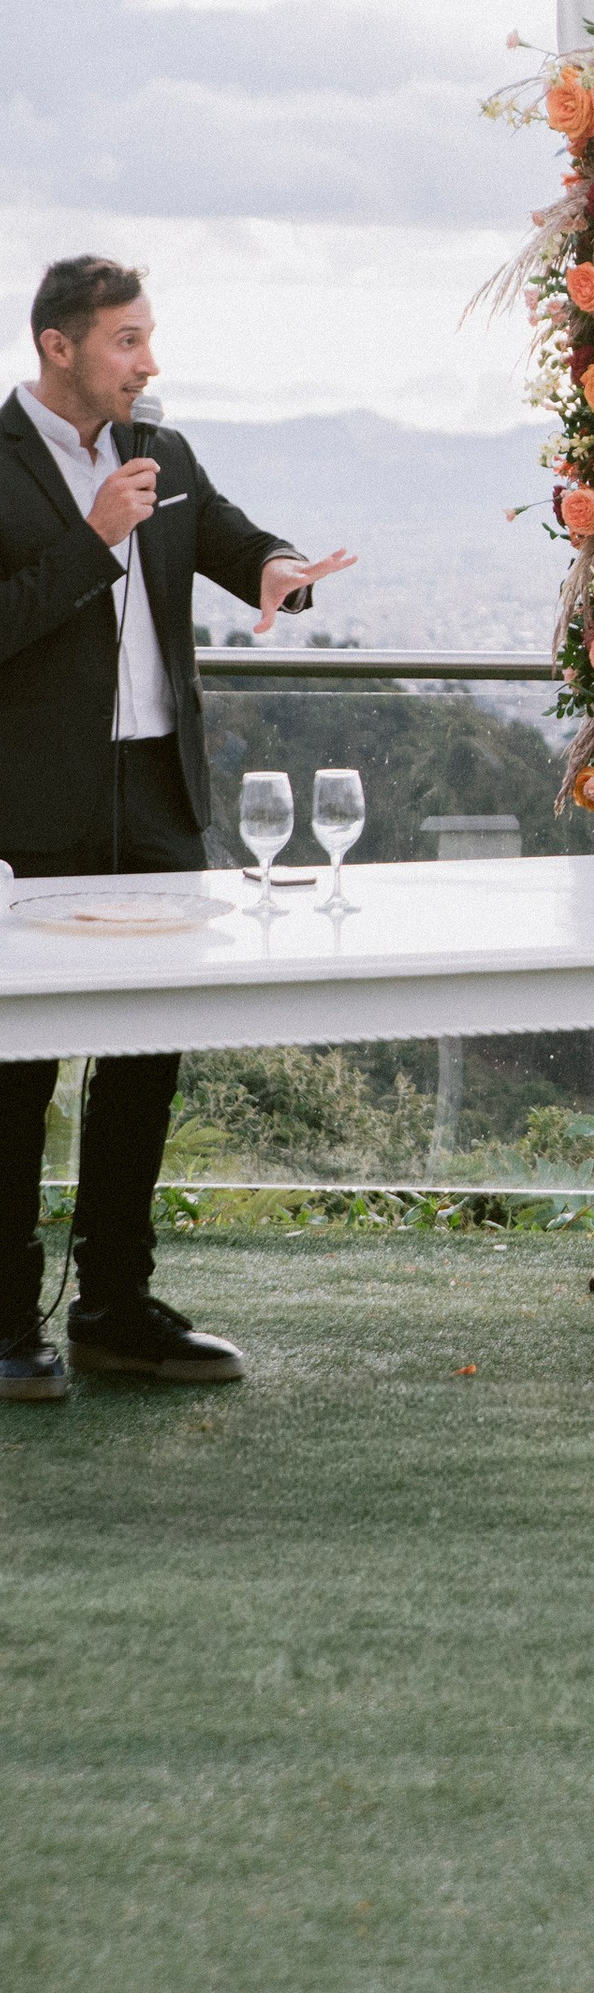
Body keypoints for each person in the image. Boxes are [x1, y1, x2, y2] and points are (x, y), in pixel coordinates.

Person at [0, 257, 356, 1400]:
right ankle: (5, 1324)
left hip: (157, 799)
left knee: (148, 1057)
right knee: (15, 1074)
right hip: (34, 811)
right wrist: (92, 540)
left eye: (148, 339)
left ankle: (115, 1307)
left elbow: (234, 542)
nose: (148, 362)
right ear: (59, 346)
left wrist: (282, 572)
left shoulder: (167, 448)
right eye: (126, 341)